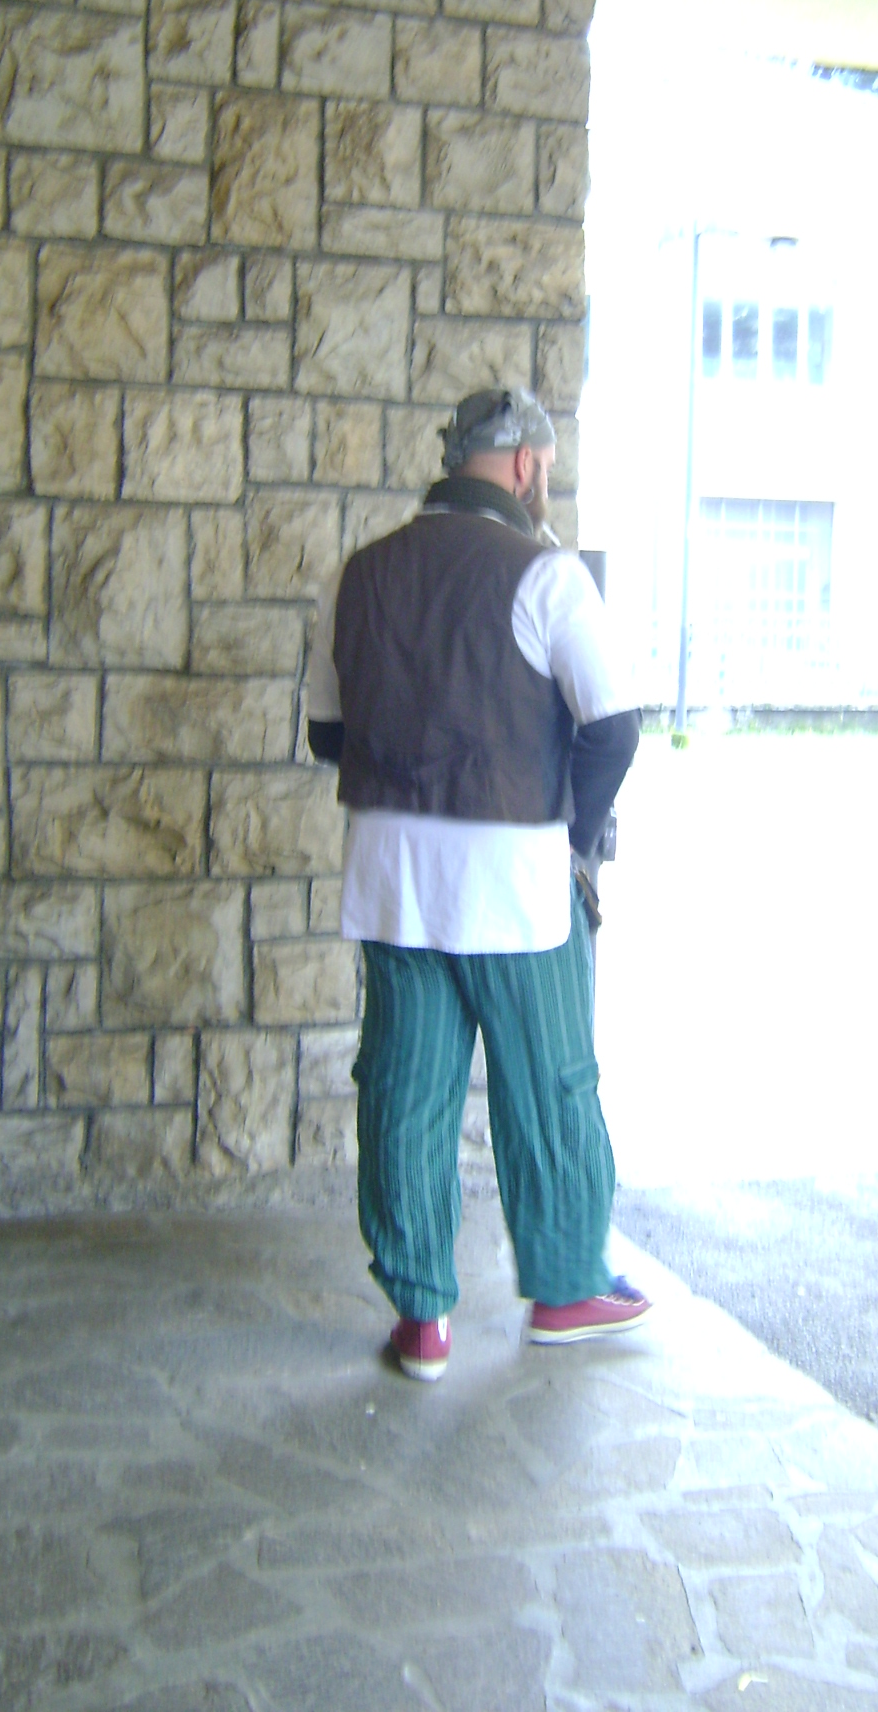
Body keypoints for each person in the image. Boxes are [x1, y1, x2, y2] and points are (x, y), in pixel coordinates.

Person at [306, 386, 648, 1382]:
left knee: (405, 1087)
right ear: (527, 465)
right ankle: (565, 1287)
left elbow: (327, 734)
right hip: (515, 883)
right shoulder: (547, 576)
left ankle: (421, 1314)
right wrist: (571, 838)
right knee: (548, 1081)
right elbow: (614, 726)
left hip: (391, 876)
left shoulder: (357, 574)